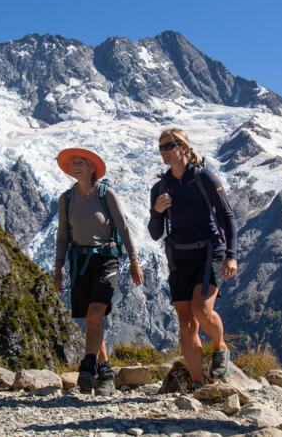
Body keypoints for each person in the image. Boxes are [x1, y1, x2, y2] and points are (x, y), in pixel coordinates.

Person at [148, 128, 238, 391]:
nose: (164, 151)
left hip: (210, 252)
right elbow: (155, 234)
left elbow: (227, 216)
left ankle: (220, 348)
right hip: (179, 257)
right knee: (186, 324)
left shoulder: (204, 178)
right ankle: (199, 385)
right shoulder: (161, 187)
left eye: (169, 146)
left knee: (202, 309)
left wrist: (231, 255)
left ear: (184, 148)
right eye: (161, 147)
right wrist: (157, 211)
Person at [53, 147, 143, 395]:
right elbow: (62, 236)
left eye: (81, 161)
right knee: (93, 320)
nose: (76, 165)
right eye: (74, 163)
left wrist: (134, 260)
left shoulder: (106, 194)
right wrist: (58, 268)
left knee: (95, 313)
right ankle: (105, 372)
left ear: (93, 168)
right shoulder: (66, 199)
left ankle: (87, 366)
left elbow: (123, 229)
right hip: (79, 262)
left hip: (106, 259)